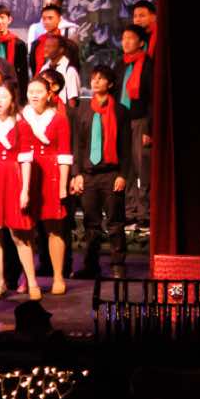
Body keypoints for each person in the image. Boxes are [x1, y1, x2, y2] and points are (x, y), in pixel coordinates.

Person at [0, 82, 40, 301]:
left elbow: (26, 160)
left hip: (13, 181)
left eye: (3, 97)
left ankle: (32, 282)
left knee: (19, 235)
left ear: (13, 100)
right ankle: (0, 283)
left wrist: (25, 190)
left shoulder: (21, 125)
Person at [71, 64, 130, 277]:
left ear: (110, 84)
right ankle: (90, 265)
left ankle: (118, 265)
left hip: (111, 173)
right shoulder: (83, 110)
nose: (95, 82)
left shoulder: (120, 111)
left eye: (100, 78)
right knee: (91, 223)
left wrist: (123, 174)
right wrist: (77, 174)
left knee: (115, 222)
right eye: (93, 78)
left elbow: (126, 146)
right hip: (88, 174)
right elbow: (78, 144)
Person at [22, 72, 72, 295]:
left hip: (50, 173)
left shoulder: (59, 118)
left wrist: (62, 186)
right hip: (27, 173)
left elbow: (65, 154)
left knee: (54, 228)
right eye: (31, 92)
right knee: (26, 228)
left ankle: (58, 276)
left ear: (49, 94)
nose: (34, 95)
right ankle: (28, 277)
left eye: (39, 92)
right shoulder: (21, 117)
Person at [116, 22, 153, 229]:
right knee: (127, 168)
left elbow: (152, 99)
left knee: (143, 169)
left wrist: (150, 128)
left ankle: (145, 213)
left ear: (140, 42)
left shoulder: (147, 64)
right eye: (124, 38)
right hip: (122, 122)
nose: (126, 42)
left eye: (130, 38)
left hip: (140, 121)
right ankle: (129, 212)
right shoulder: (120, 64)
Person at [0, 5, 31, 93]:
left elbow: (23, 73)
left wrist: (23, 94)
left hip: (12, 88)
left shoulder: (19, 44)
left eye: (2, 17)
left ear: (9, 20)